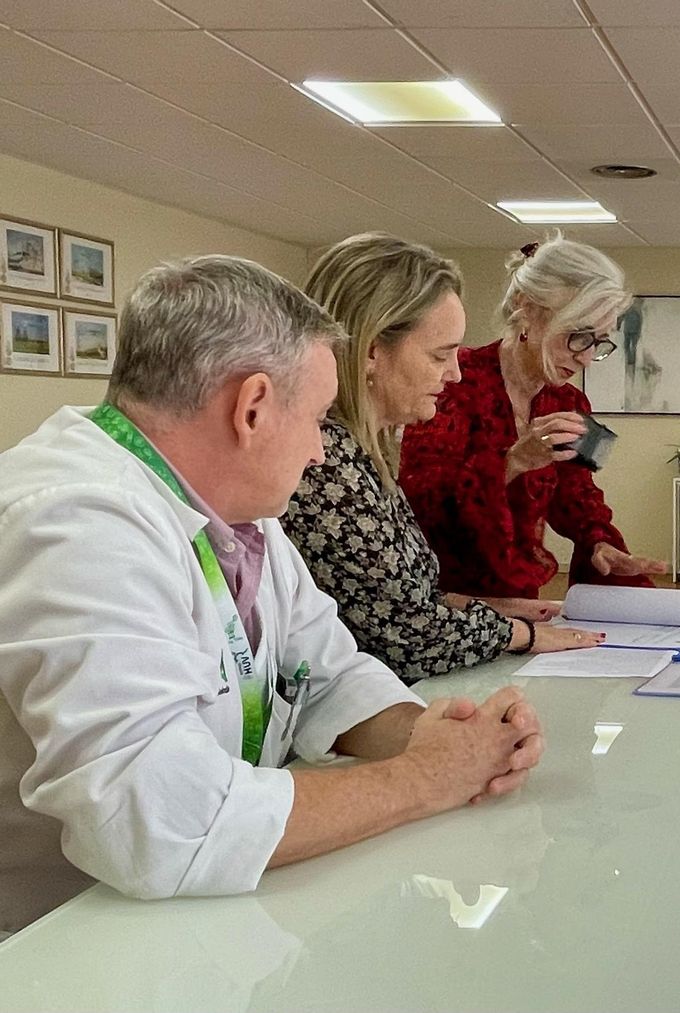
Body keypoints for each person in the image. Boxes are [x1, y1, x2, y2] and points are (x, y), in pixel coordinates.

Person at [0, 256, 545, 935]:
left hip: (182, 916)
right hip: (51, 940)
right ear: (252, 407)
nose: (320, 452)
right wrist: (426, 777)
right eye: (316, 418)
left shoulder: (237, 512)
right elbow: (158, 817)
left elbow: (329, 672)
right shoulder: (75, 521)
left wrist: (436, 736)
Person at [282, 233, 600, 682]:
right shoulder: (326, 466)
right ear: (372, 349)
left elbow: (401, 594)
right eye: (439, 356)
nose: (454, 374)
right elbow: (408, 636)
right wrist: (520, 633)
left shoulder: (367, 452)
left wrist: (487, 607)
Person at [399, 236, 667, 599]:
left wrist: (599, 542)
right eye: (578, 336)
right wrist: (512, 462)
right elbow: (420, 505)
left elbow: (577, 493)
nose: (586, 358)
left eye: (598, 342)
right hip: (441, 599)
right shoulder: (453, 382)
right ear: (527, 310)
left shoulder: (569, 402)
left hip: (521, 598)